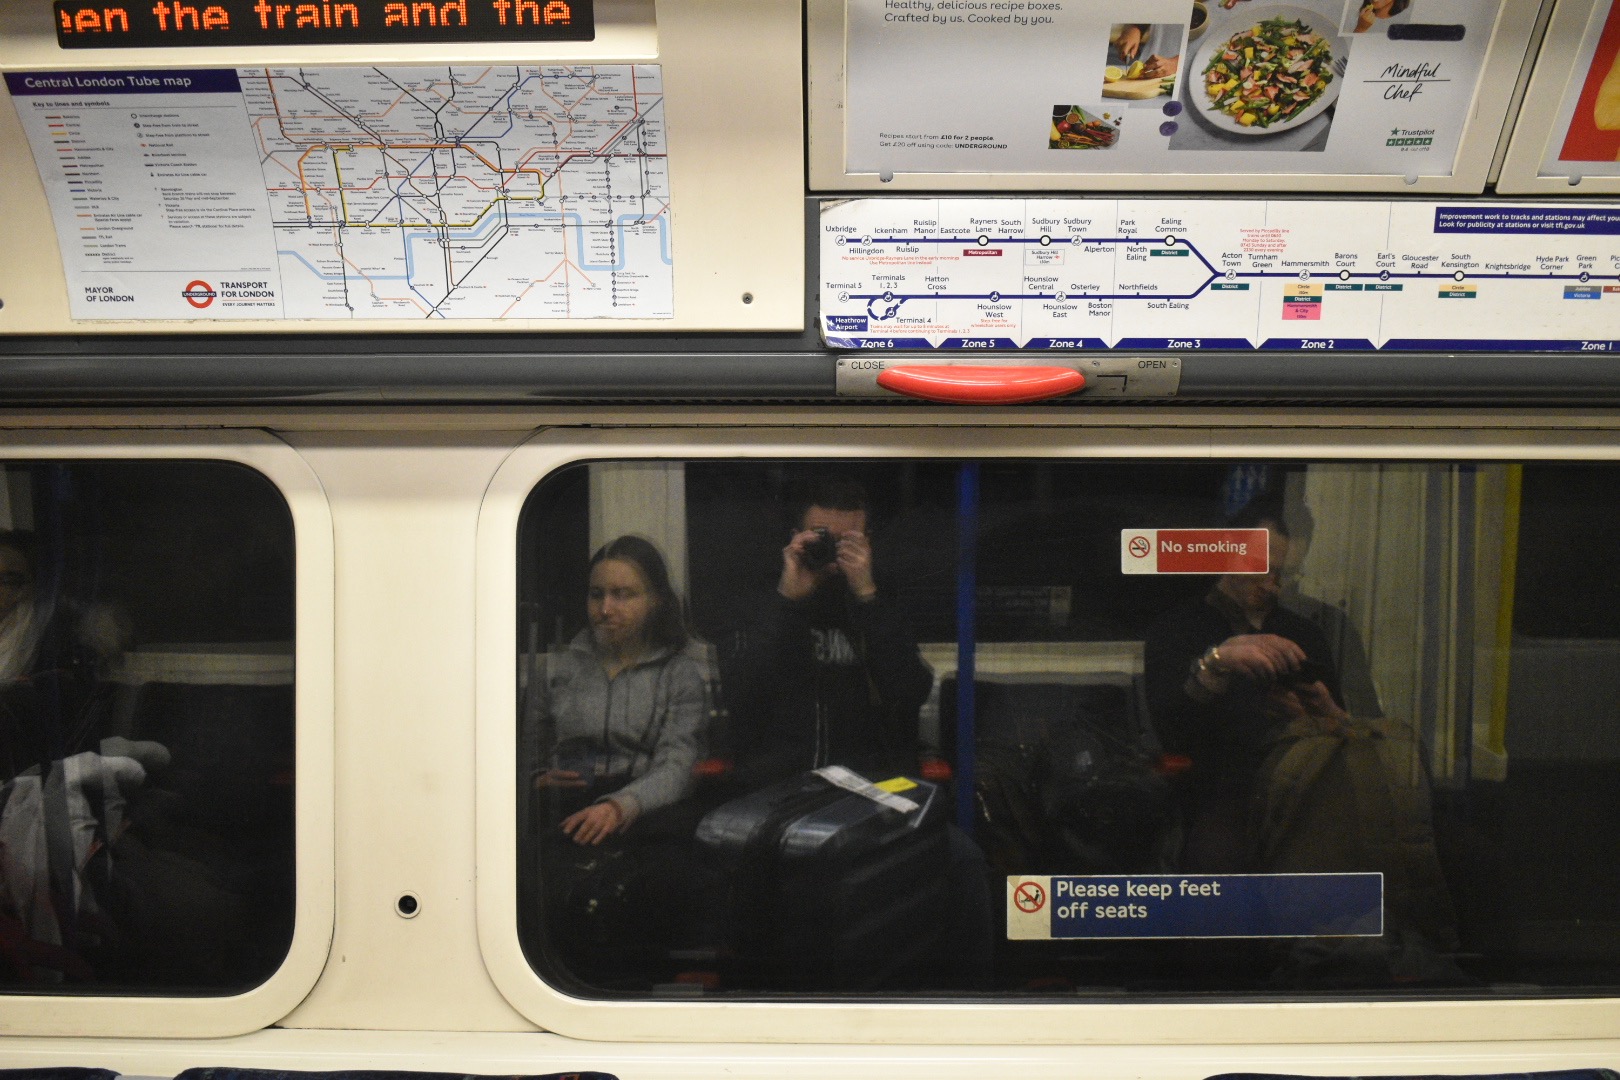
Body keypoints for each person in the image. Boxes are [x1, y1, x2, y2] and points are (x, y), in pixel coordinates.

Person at [1142, 501, 1345, 872]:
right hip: (1212, 795)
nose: (1272, 586)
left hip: (1299, 794)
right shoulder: (1177, 628)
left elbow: (1352, 731)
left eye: (1285, 575)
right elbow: (1166, 730)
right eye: (1261, 570)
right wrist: (1214, 667)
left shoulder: (1311, 631)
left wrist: (1318, 716)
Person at [725, 479, 933, 786]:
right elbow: (740, 694)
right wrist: (787, 600)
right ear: (796, 538)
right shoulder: (764, 601)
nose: (832, 552)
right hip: (778, 782)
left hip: (869, 783)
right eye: (822, 539)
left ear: (867, 543)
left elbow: (910, 692)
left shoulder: (883, 601)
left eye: (846, 542)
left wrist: (866, 595)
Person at [527, 535, 708, 844]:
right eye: (597, 595)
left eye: (623, 595)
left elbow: (678, 767)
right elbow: (521, 752)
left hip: (643, 814)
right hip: (562, 807)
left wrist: (619, 806)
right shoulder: (557, 669)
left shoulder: (679, 674)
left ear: (656, 600)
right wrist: (535, 779)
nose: (606, 609)